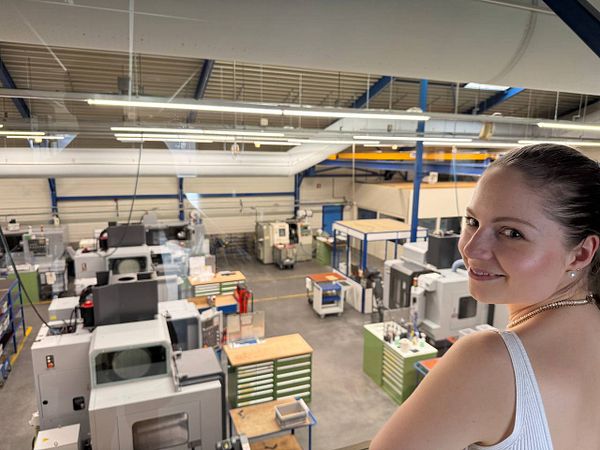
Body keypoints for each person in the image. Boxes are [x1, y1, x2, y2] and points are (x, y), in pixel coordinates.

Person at [370, 144, 600, 450]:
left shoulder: (489, 361)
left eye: (512, 233)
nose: (471, 249)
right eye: (472, 222)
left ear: (580, 253)